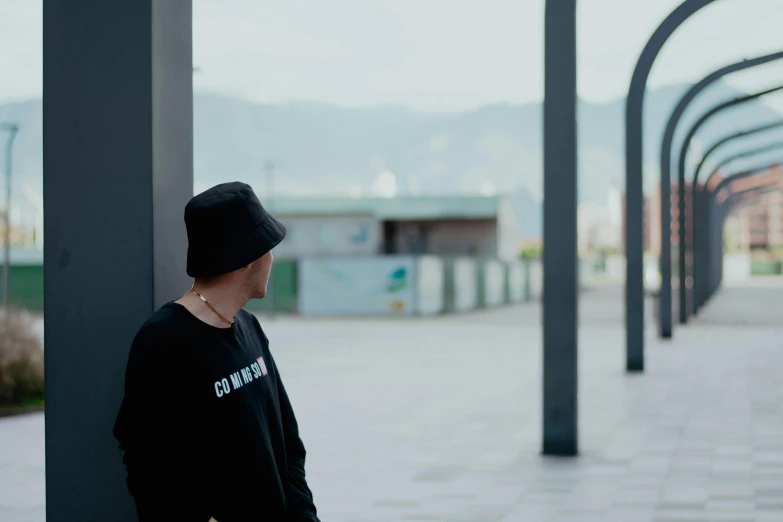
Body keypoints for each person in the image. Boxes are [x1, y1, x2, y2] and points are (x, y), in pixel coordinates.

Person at [113, 182, 320, 522]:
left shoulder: (249, 327)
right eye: (267, 247)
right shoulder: (164, 341)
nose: (271, 258)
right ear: (245, 258)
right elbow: (148, 463)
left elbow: (288, 442)